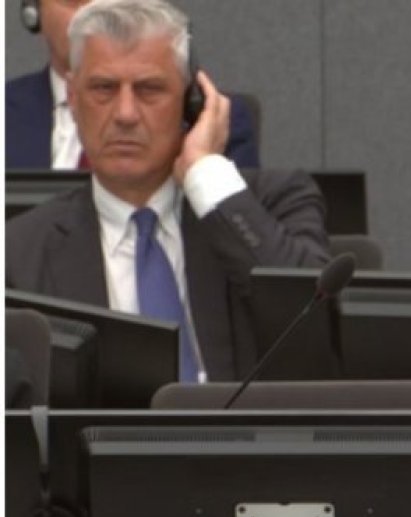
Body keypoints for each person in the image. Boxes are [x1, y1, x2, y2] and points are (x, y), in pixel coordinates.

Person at [6, 0, 328, 382]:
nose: (125, 114)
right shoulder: (18, 252)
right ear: (73, 100)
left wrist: (205, 171)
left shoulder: (274, 202)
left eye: (149, 89)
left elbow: (314, 323)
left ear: (191, 104)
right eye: (104, 89)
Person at [7, 0, 259, 169]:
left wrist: (204, 171)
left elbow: (237, 228)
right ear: (33, 12)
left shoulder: (210, 118)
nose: (96, 13)